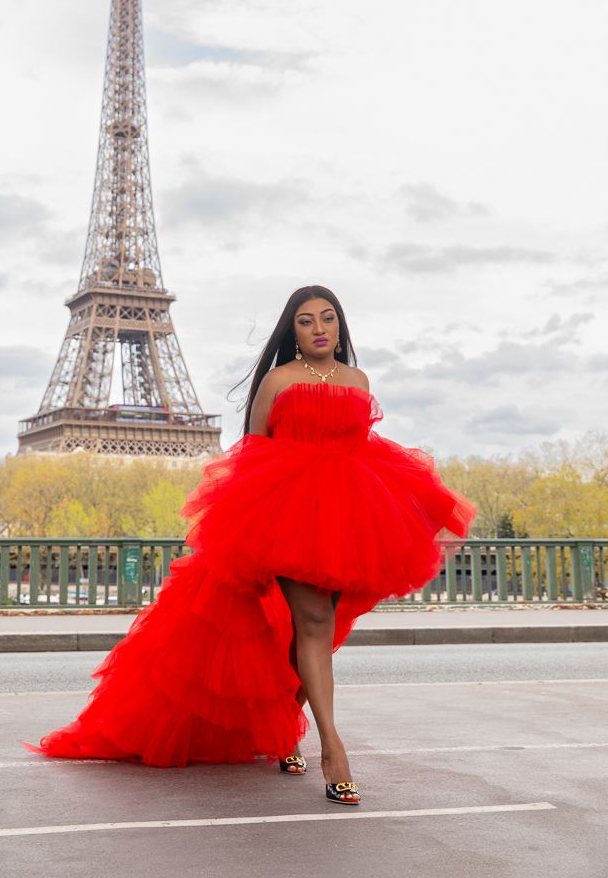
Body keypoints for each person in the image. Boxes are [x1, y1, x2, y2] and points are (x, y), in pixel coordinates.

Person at [24, 285, 477, 805]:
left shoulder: (358, 380)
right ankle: (333, 749)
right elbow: (254, 453)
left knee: (321, 629)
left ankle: (285, 725)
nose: (319, 328)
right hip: (286, 514)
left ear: (341, 326)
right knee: (313, 624)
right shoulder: (277, 381)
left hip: (352, 514)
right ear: (293, 331)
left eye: (328, 318)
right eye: (306, 321)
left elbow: (360, 444)